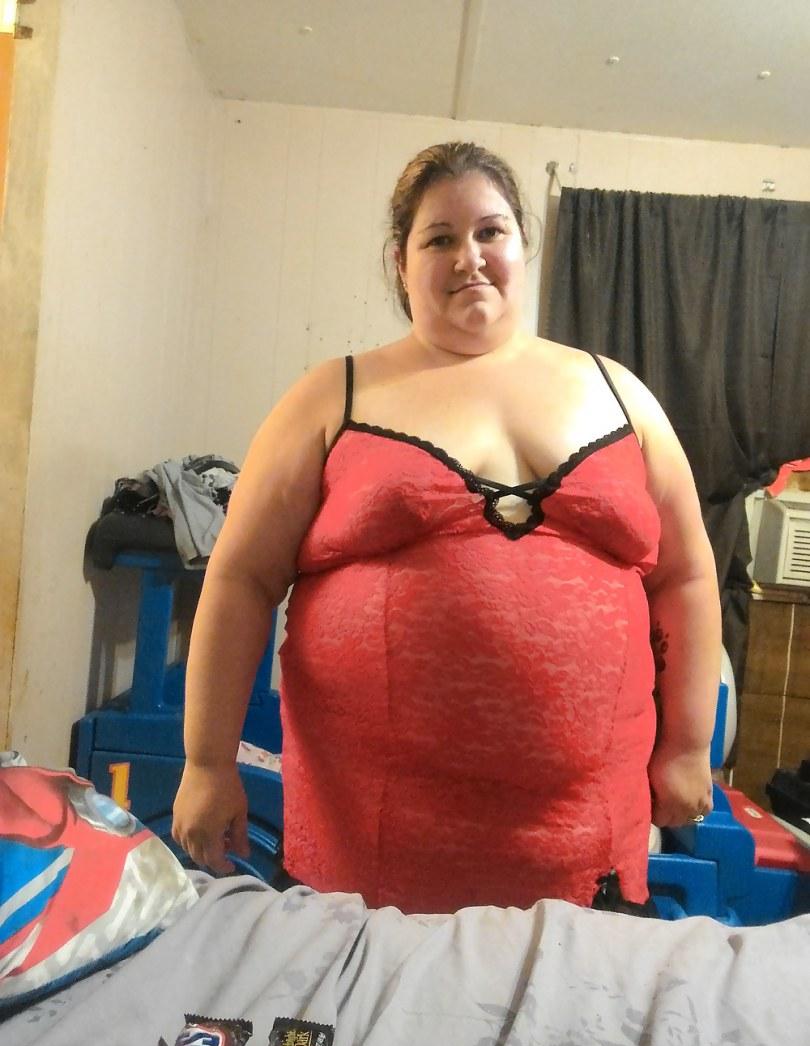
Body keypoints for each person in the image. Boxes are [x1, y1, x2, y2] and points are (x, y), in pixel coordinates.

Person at [172, 141, 720, 915]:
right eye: (440, 238)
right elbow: (240, 580)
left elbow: (686, 576)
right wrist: (206, 762)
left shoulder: (619, 393)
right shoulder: (333, 394)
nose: (470, 256)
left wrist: (689, 745)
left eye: (491, 231)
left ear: (523, 245)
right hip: (371, 870)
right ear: (401, 262)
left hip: (583, 863)